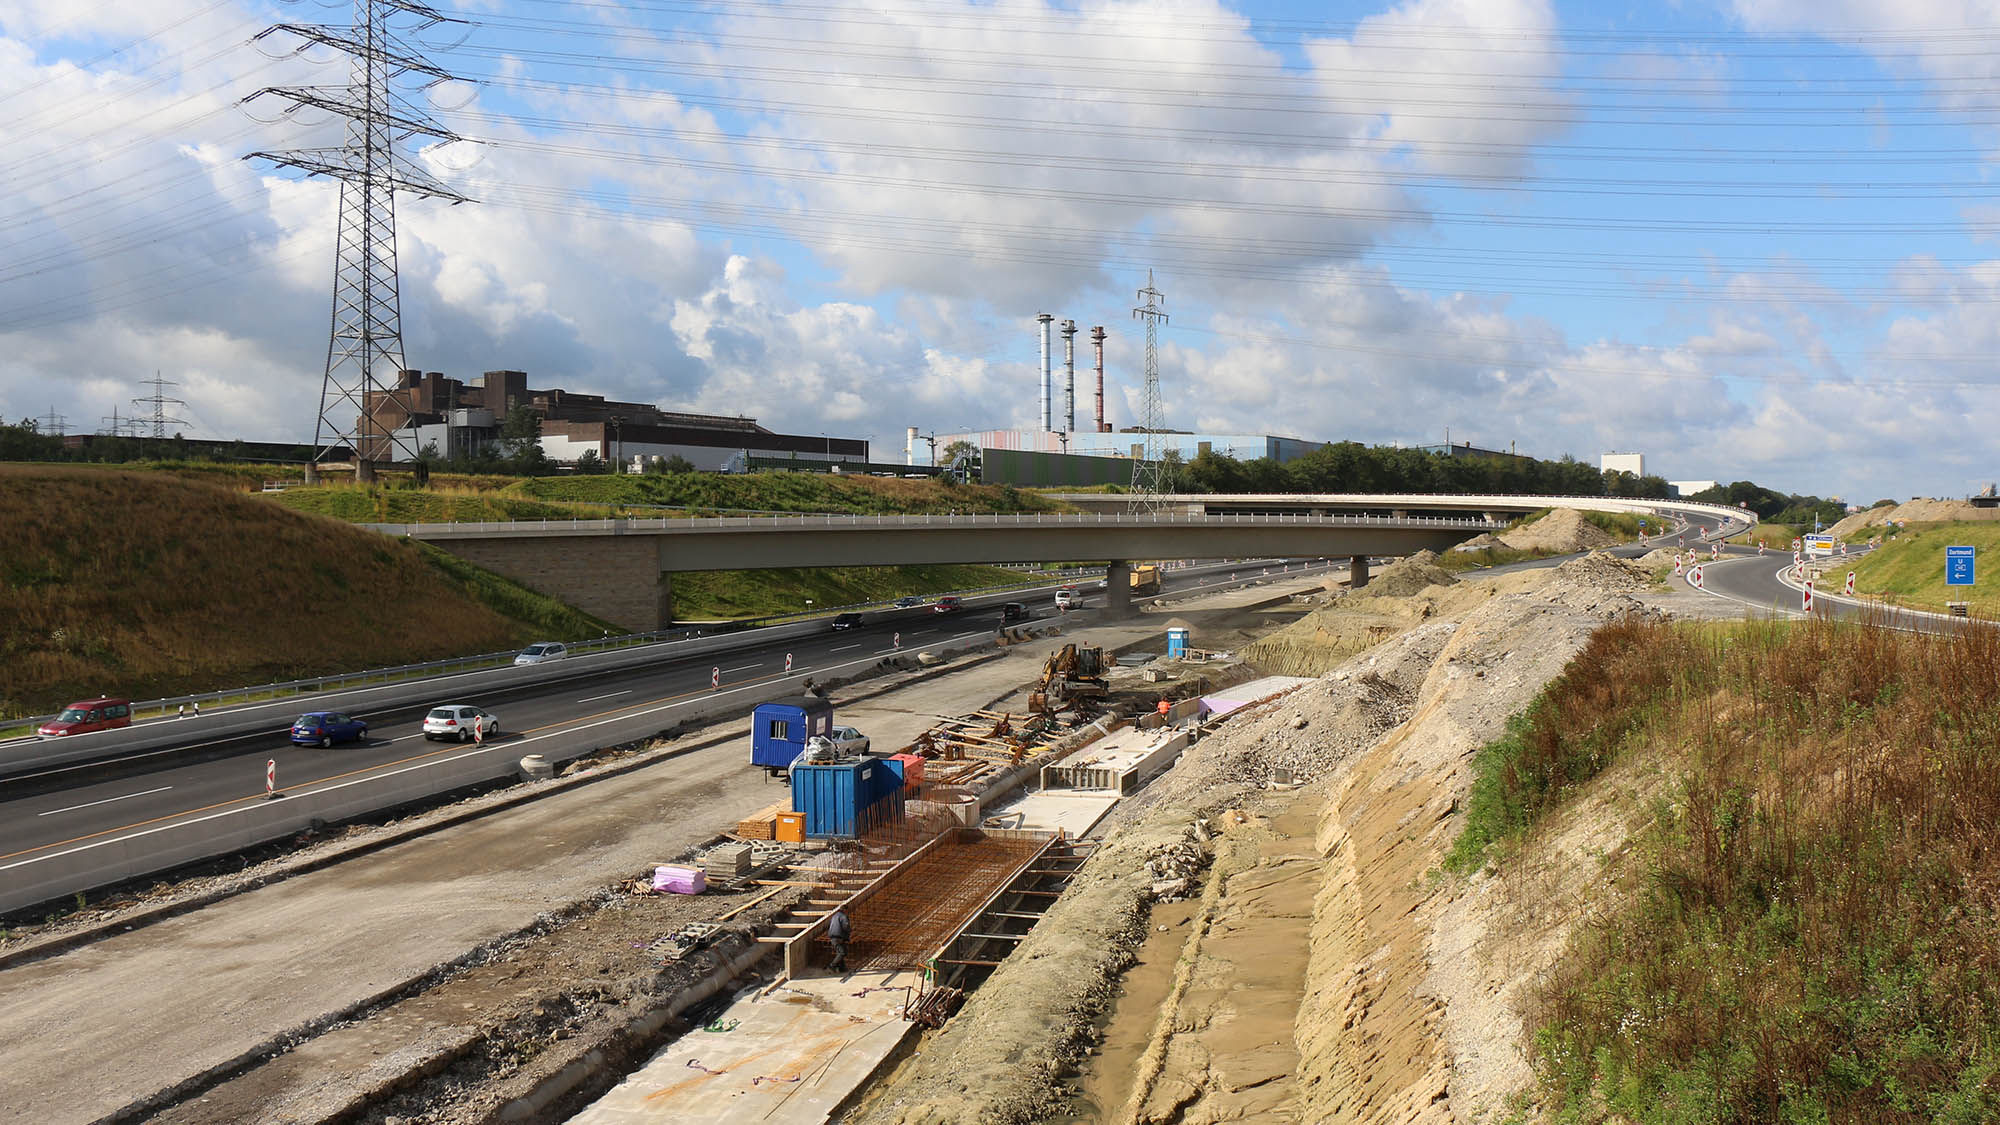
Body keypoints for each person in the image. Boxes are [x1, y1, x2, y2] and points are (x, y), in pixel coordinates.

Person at [827, 907, 851, 972]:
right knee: (843, 953)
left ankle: (842, 968)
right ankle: (832, 965)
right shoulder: (843, 916)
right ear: (845, 910)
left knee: (840, 952)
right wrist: (847, 936)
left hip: (832, 937)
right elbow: (846, 927)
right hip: (838, 937)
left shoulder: (834, 916)